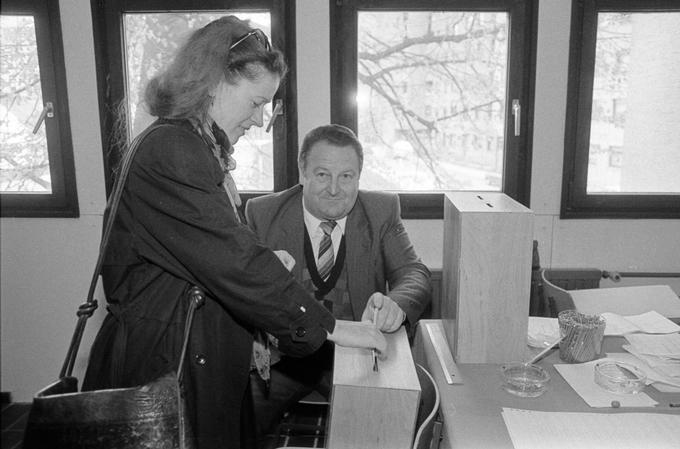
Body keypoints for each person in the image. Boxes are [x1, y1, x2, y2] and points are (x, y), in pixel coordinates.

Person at [82, 17, 386, 449]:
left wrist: (262, 261)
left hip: (189, 355)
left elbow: (211, 251)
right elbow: (232, 261)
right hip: (167, 368)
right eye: (257, 102)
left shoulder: (192, 146)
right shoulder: (174, 150)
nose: (261, 119)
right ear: (214, 82)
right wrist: (333, 327)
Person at [245, 124, 432, 447]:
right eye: (322, 175)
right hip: (285, 358)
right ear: (302, 171)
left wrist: (395, 305)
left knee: (394, 424)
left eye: (346, 176)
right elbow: (238, 288)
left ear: (359, 177)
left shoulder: (381, 211)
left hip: (356, 353)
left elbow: (413, 273)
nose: (334, 189)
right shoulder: (263, 214)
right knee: (235, 417)